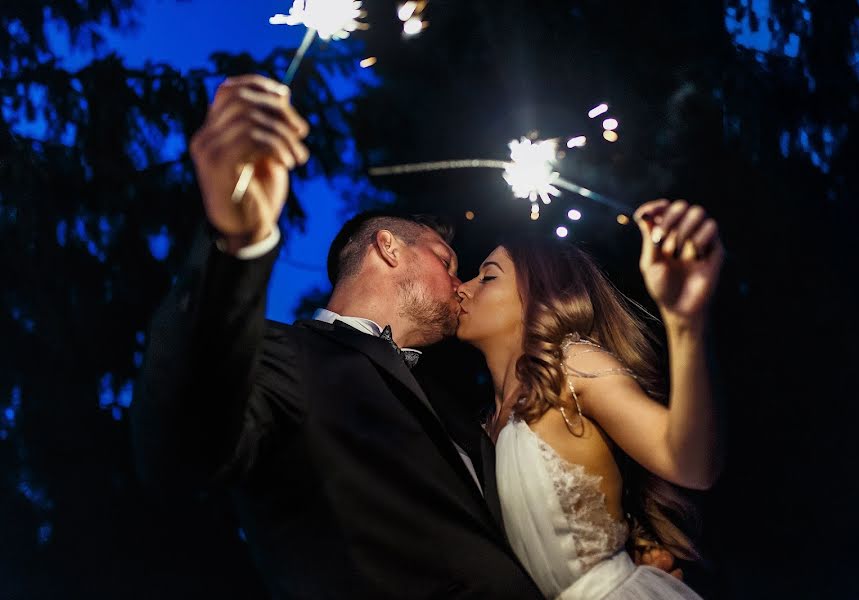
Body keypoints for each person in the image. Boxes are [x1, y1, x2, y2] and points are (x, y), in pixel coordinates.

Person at [131, 74, 680, 598]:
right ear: (389, 248)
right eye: (447, 261)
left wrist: (628, 549)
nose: (462, 285)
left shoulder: (464, 409)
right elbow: (185, 445)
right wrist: (237, 246)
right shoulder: (288, 358)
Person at [454, 202, 725, 598]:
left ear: (536, 295)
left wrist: (686, 324)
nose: (464, 287)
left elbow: (691, 464)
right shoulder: (483, 427)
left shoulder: (572, 365)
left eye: (487, 277)